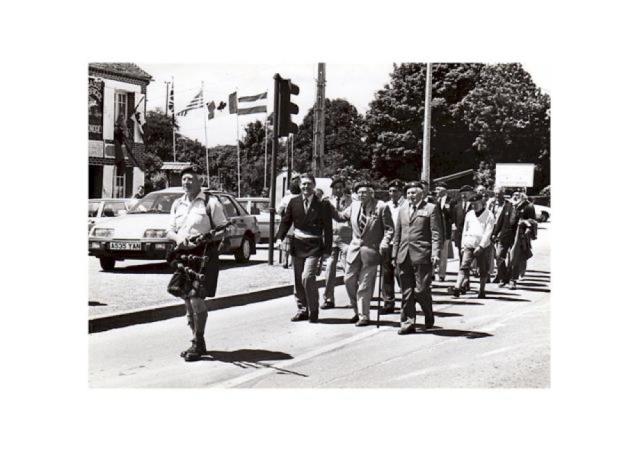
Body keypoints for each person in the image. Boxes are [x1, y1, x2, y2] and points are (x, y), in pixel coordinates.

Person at [166, 166, 228, 362]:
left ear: (199, 181)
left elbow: (222, 230)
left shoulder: (211, 203)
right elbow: (169, 230)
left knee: (196, 299)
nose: (186, 182)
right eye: (184, 179)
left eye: (190, 179)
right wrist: (178, 239)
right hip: (182, 255)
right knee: (186, 300)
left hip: (204, 256)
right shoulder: (177, 204)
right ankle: (196, 340)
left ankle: (198, 341)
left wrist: (202, 240)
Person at [333, 181, 394, 326]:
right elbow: (341, 217)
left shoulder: (381, 206)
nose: (362, 195)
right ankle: (357, 310)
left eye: (365, 192)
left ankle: (364, 315)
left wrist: (385, 242)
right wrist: (327, 207)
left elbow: (389, 229)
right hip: (354, 250)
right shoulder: (354, 206)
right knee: (348, 280)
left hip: (371, 251)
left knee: (365, 285)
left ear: (371, 193)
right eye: (359, 192)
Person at [275, 174, 332, 323]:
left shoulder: (323, 204)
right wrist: (279, 238)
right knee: (298, 280)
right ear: (300, 186)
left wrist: (327, 250)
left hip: (314, 245)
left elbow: (328, 228)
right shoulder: (293, 202)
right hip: (298, 244)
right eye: (303, 184)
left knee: (307, 277)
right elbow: (286, 221)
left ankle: (313, 309)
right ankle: (302, 309)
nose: (306, 187)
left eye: (309, 184)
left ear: (314, 185)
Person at [392, 181, 442, 335]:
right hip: (403, 254)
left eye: (414, 193)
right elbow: (397, 234)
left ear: (422, 193)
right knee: (406, 291)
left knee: (421, 290)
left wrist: (435, 254)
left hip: (422, 255)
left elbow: (436, 233)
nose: (410, 196)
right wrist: (394, 254)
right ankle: (407, 322)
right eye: (408, 193)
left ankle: (428, 313)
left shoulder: (431, 209)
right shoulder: (402, 209)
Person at [450, 194, 495, 299]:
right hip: (469, 243)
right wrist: (462, 246)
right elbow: (465, 230)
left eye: (476, 204)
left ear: (481, 203)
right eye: (472, 204)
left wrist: (481, 246)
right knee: (464, 265)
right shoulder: (469, 214)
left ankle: (482, 290)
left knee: (483, 268)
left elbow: (488, 232)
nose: (474, 206)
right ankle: (457, 287)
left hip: (483, 245)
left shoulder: (489, 215)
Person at [321, 177, 353, 309]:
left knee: (348, 269)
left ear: (344, 188)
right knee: (329, 268)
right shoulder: (327, 201)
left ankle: (353, 299)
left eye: (340, 187)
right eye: (335, 187)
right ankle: (328, 299)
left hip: (347, 238)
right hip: (331, 238)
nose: (338, 190)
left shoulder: (352, 201)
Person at [381, 179, 406, 313]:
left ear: (401, 192)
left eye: (395, 191)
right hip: (388, 243)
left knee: (399, 273)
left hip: (401, 243)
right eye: (390, 191)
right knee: (386, 274)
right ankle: (388, 302)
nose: (392, 194)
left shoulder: (407, 205)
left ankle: (406, 300)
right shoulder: (386, 206)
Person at [507, 191, 537, 289]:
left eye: (518, 195)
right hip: (508, 234)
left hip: (521, 234)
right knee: (507, 256)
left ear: (522, 196)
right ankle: (505, 276)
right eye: (514, 195)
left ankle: (514, 277)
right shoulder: (510, 205)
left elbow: (533, 220)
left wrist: (527, 226)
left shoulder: (528, 206)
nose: (516, 197)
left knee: (518, 255)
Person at [489, 186, 517, 287]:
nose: (497, 196)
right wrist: (494, 234)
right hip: (502, 236)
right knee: (499, 256)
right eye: (496, 194)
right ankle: (502, 276)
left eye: (499, 194)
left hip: (513, 237)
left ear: (503, 194)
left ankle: (512, 280)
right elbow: (500, 221)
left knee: (512, 259)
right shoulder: (492, 204)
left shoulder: (510, 205)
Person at [277, 173, 301, 269]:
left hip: (287, 225)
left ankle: (284, 262)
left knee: (286, 244)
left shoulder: (286, 198)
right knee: (295, 244)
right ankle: (292, 262)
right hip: (298, 225)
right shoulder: (301, 198)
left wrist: (284, 216)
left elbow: (279, 210)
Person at [433, 181, 453, 282]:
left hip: (446, 230)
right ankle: (432, 273)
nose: (437, 191)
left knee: (443, 254)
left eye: (439, 189)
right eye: (436, 189)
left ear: (445, 190)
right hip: (435, 230)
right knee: (433, 251)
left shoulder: (450, 201)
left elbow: (452, 215)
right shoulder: (433, 200)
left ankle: (441, 274)